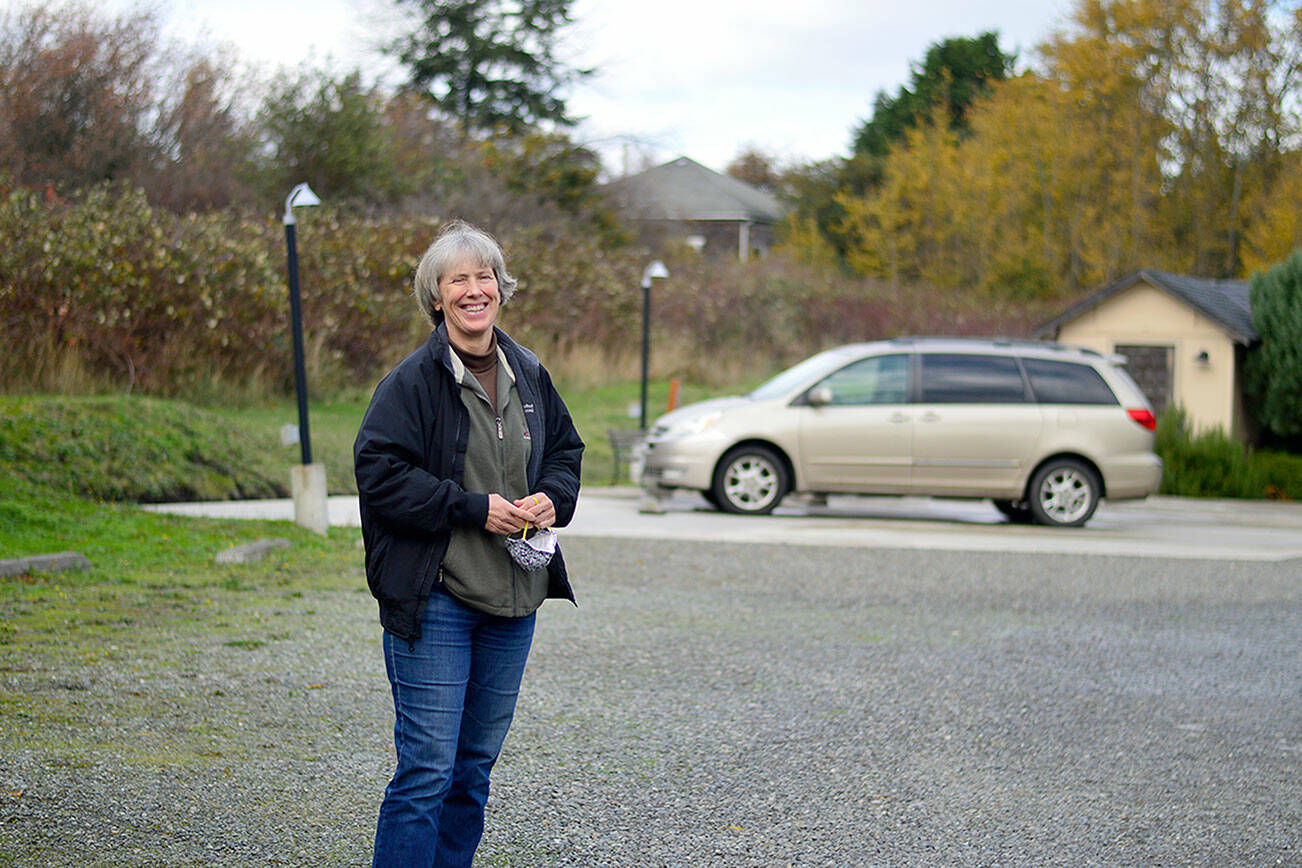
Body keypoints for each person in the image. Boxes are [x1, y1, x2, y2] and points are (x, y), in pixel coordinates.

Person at [354, 220, 584, 867]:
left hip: (512, 603)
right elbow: (378, 475)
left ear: (501, 290)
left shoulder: (529, 372)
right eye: (459, 279)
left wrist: (553, 497)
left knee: (472, 769)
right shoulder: (412, 383)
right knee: (427, 771)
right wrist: (470, 508)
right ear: (436, 297)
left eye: (484, 277)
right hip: (438, 600)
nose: (474, 289)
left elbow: (566, 452)